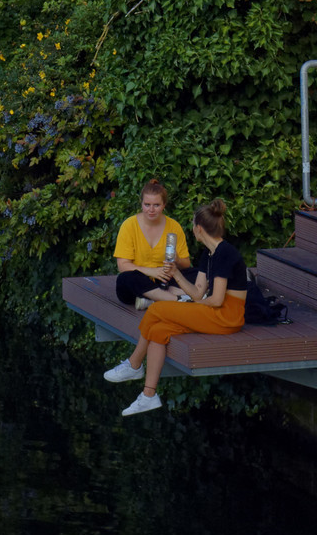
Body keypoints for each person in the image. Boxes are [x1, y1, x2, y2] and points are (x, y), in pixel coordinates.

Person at [103, 197, 247, 416]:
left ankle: (134, 364)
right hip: (213, 312)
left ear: (199, 229)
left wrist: (190, 306)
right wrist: (177, 274)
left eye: (192, 225)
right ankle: (149, 395)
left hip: (227, 317)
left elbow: (216, 300)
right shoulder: (208, 253)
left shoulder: (225, 253)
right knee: (159, 330)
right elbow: (198, 292)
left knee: (156, 310)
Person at [113, 178, 189, 309]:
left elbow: (186, 264)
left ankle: (154, 300)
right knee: (125, 279)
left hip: (165, 280)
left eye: (156, 205)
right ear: (141, 204)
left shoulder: (174, 226)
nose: (151, 210)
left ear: (164, 205)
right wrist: (152, 272)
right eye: (147, 204)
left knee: (198, 274)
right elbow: (123, 266)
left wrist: (177, 260)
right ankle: (176, 300)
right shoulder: (129, 225)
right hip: (140, 282)